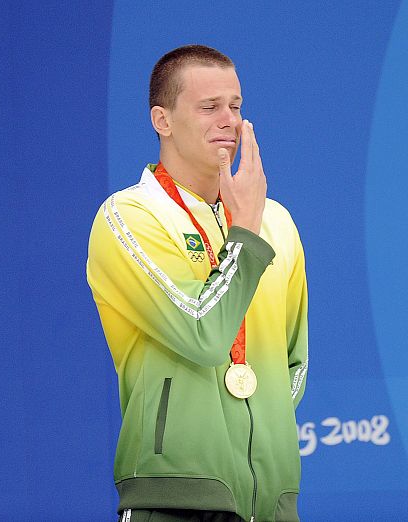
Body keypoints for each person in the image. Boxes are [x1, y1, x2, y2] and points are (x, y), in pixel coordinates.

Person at [86, 44, 308, 522]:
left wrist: (259, 431)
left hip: (271, 502)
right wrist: (244, 234)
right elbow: (203, 332)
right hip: (175, 499)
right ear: (161, 121)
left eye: (236, 106)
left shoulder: (279, 223)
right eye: (209, 107)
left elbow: (294, 360)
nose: (227, 119)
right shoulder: (130, 217)